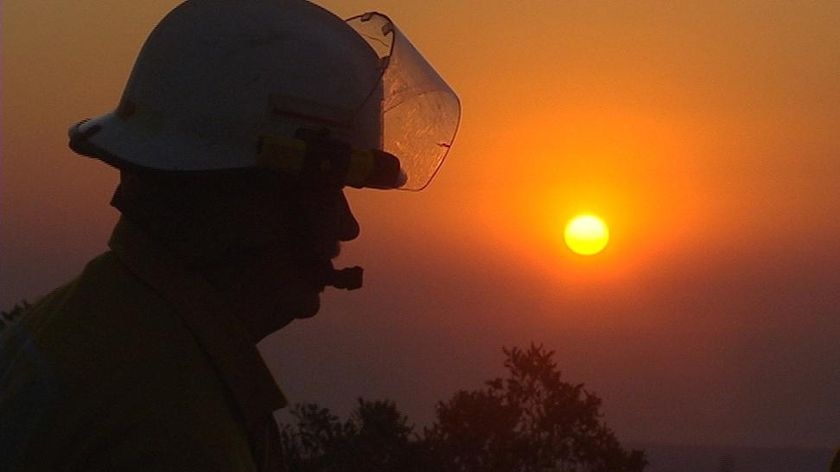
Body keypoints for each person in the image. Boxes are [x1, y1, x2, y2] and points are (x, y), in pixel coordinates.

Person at [0, 1, 460, 470]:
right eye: (323, 191)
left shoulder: (76, 325)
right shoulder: (174, 429)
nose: (347, 225)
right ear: (232, 198)